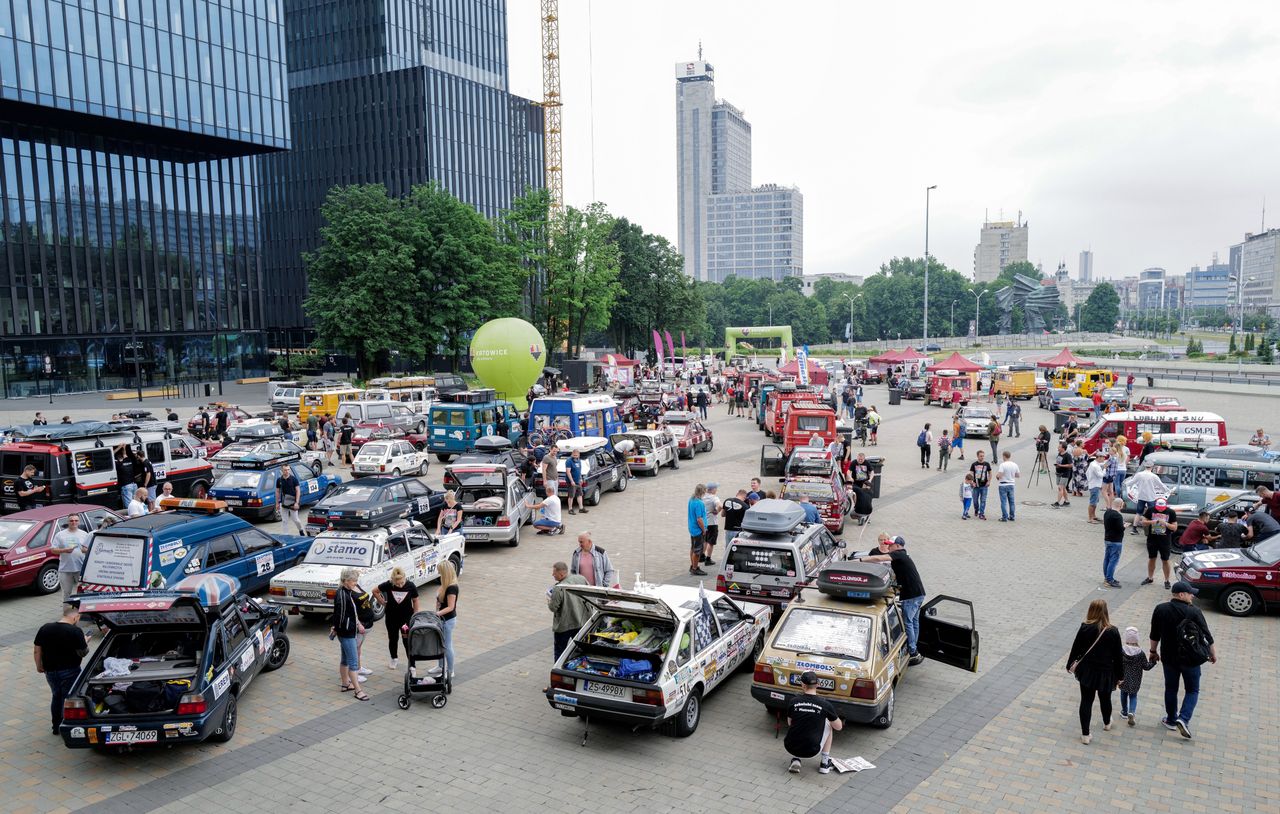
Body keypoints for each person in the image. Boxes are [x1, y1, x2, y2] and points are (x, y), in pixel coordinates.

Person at [1149, 582, 1216, 739]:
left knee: (1171, 689)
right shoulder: (1195, 612)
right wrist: (1213, 653)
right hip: (1191, 659)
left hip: (1169, 658)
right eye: (1190, 593)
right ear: (1181, 594)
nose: (1193, 595)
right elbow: (1207, 635)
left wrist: (1153, 651)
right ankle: (1183, 718)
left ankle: (1171, 719)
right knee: (1192, 690)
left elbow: (1154, 634)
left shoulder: (1161, 609)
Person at [859, 534, 926, 664]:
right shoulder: (902, 556)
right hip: (918, 593)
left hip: (911, 596)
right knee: (914, 622)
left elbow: (878, 558)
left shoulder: (899, 554)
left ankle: (912, 652)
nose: (888, 546)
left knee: (908, 623)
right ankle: (915, 648)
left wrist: (860, 561)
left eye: (890, 544)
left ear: (898, 546)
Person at [1065, 599, 1124, 745]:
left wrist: (1069, 664)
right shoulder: (1113, 631)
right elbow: (1118, 656)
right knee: (1105, 698)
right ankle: (1106, 722)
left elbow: (1076, 647)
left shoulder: (1085, 627)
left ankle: (1085, 734)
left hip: (1087, 671)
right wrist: (1120, 676)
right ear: (1106, 612)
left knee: (1086, 700)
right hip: (1106, 672)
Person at [33, 603, 90, 734]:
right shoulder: (75, 631)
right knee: (67, 698)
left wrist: (38, 666)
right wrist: (85, 641)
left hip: (50, 671)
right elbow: (83, 652)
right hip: (70, 670)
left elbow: (37, 650)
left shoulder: (45, 628)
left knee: (56, 696)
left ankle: (55, 726)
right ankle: (66, 726)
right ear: (75, 617)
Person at [784, 671, 844, 774]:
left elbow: (789, 722)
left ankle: (796, 759)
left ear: (802, 685)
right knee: (830, 724)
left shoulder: (793, 701)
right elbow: (839, 727)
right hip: (812, 751)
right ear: (818, 684)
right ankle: (825, 764)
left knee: (797, 722)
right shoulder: (825, 705)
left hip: (790, 747)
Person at [372, 567, 419, 669]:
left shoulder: (410, 586)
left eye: (402, 583)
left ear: (404, 578)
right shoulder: (388, 584)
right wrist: (382, 602)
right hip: (391, 618)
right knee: (393, 639)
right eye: (397, 584)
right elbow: (375, 591)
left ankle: (411, 663)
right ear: (393, 580)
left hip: (405, 619)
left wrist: (415, 615)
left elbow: (415, 600)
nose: (400, 585)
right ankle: (394, 658)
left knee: (406, 640)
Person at [332, 568, 368, 700]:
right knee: (353, 663)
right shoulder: (342, 594)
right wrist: (337, 627)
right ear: (346, 581)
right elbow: (339, 615)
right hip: (347, 633)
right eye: (354, 581)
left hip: (346, 631)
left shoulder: (345, 592)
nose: (355, 583)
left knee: (345, 659)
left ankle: (345, 684)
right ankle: (358, 691)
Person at [548, 562, 590, 659]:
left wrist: (549, 600)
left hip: (564, 626)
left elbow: (553, 608)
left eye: (554, 573)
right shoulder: (581, 578)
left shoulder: (558, 589)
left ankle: (559, 671)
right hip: (582, 622)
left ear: (561, 574)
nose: (552, 575)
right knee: (583, 650)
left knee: (560, 652)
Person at [1119, 626, 1158, 726]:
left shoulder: (1121, 651)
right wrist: (1153, 662)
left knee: (1123, 694)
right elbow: (1146, 667)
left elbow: (1116, 663)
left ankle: (1124, 711)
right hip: (1135, 680)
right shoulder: (1140, 653)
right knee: (1133, 696)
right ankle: (1132, 712)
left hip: (1122, 678)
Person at [1139, 497, 1179, 589]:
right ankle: (1150, 578)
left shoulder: (1171, 512)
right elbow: (1143, 522)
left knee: (1165, 559)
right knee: (1152, 558)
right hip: (1152, 539)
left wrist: (1165, 524)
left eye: (1162, 509)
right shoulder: (1151, 510)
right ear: (1156, 505)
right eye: (1158, 508)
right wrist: (1152, 521)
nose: (1160, 510)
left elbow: (1174, 527)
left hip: (1165, 540)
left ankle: (1167, 580)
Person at [50, 514, 91, 599]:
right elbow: (53, 550)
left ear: (79, 522)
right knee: (66, 593)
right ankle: (66, 611)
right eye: (71, 521)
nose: (74, 522)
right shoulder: (60, 535)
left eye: (76, 520)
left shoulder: (84, 534)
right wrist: (64, 550)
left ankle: (81, 611)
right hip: (65, 569)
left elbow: (89, 549)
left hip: (81, 568)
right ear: (68, 522)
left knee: (83, 592)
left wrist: (86, 551)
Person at [435, 560, 459, 678]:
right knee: (439, 643)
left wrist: (437, 614)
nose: (439, 574)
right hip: (441, 619)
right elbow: (439, 601)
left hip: (447, 620)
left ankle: (450, 670)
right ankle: (440, 666)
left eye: (440, 572)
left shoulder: (452, 587)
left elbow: (451, 607)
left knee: (447, 645)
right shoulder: (444, 584)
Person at [1127, 462, 1162, 534]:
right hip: (1150, 497)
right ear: (1152, 467)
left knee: (1139, 513)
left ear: (1145, 467)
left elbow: (1131, 482)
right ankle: (1155, 530)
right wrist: (1168, 491)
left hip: (1141, 496)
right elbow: (1161, 485)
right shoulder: (1154, 476)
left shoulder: (1139, 474)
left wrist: (1126, 484)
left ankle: (1134, 529)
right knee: (1154, 513)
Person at [276, 464, 304, 535]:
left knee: (296, 520)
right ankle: (286, 535)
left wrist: (297, 502)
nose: (287, 471)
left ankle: (300, 530)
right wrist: (277, 503)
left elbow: (298, 491)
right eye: (285, 470)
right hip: (284, 503)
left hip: (293, 502)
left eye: (288, 469)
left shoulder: (294, 479)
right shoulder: (279, 480)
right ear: (282, 470)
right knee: (284, 521)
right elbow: (277, 491)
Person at [687, 483, 709, 576]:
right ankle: (695, 568)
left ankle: (693, 565)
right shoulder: (699, 503)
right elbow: (699, 519)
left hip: (692, 528)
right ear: (703, 492)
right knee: (697, 551)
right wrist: (703, 529)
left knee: (693, 548)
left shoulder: (691, 500)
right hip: (698, 530)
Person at [996, 451, 1020, 522]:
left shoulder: (1002, 465)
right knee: (1011, 502)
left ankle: (1004, 517)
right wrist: (1011, 475)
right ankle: (1012, 516)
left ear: (1004, 456)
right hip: (1011, 484)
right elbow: (1018, 475)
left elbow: (999, 475)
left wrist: (997, 476)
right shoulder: (1015, 464)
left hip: (1003, 485)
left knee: (1004, 502)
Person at [702, 482, 722, 566]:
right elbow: (720, 506)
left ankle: (701, 556)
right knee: (711, 542)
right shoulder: (714, 498)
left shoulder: (703, 497)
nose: (716, 490)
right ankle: (708, 559)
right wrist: (717, 511)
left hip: (704, 522)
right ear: (713, 489)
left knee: (705, 540)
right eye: (716, 488)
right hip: (712, 523)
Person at [969, 451, 992, 521]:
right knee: (975, 501)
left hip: (984, 485)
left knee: (983, 500)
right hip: (976, 486)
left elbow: (990, 473)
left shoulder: (987, 464)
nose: (982, 457)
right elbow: (971, 474)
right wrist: (972, 482)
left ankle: (981, 513)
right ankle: (976, 509)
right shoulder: (974, 464)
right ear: (977, 456)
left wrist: (989, 481)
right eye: (981, 456)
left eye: (983, 456)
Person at [564, 447, 587, 516]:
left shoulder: (579, 460)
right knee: (571, 496)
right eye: (574, 455)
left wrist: (580, 478)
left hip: (578, 481)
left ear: (579, 455)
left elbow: (579, 471)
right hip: (571, 481)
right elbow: (568, 472)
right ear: (572, 454)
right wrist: (571, 481)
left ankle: (581, 508)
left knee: (580, 494)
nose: (575, 457)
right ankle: (570, 509)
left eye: (576, 455)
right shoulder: (569, 461)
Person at [1086, 453, 1106, 522]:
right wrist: (1105, 469)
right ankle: (1090, 518)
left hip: (1094, 484)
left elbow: (1087, 473)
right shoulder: (1095, 466)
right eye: (1103, 457)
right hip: (1095, 485)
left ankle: (1093, 516)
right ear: (1099, 457)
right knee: (1092, 502)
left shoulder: (1093, 463)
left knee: (1095, 502)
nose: (1104, 459)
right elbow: (1101, 475)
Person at [1052, 442, 1073, 508]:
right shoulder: (1059, 454)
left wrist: (1061, 465)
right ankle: (1067, 501)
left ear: (1063, 448)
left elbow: (1071, 465)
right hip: (1059, 473)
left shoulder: (1068, 455)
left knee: (1060, 488)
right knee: (1063, 488)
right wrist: (1057, 466)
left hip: (1065, 474)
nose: (1058, 448)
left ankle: (1057, 503)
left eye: (1059, 447)